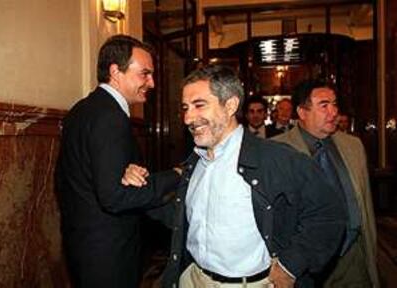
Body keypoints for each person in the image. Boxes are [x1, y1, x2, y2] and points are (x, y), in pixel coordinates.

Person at [124, 65, 346, 288]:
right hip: (193, 279)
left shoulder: (275, 158)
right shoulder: (194, 163)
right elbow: (184, 216)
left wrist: (291, 265)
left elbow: (328, 214)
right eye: (185, 108)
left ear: (230, 105)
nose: (188, 118)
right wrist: (139, 184)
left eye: (199, 105)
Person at [55, 34, 180, 288]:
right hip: (107, 254)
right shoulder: (110, 117)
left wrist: (124, 172)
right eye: (145, 73)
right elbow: (114, 197)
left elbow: (85, 175)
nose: (152, 82)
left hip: (84, 246)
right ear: (115, 71)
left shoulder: (82, 109)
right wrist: (176, 175)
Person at [273, 79, 379, 287]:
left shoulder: (353, 146)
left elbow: (365, 205)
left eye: (335, 104)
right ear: (302, 112)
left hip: (352, 259)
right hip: (305, 264)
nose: (333, 112)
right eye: (324, 105)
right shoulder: (277, 151)